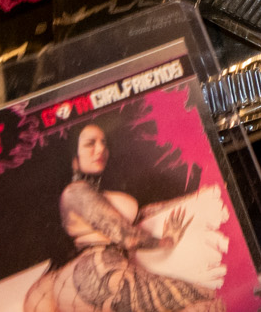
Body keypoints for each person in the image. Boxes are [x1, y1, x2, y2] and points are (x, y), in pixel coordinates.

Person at [23, 123, 220, 312]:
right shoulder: (76, 192)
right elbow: (127, 237)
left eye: (104, 142)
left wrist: (198, 196)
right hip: (98, 273)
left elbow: (141, 214)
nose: (100, 149)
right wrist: (167, 241)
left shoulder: (95, 195)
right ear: (74, 157)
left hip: (83, 278)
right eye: (90, 143)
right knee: (211, 301)